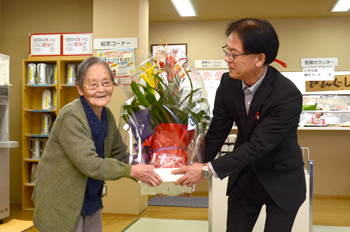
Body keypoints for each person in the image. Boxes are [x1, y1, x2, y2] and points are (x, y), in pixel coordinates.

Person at [172, 18, 306, 232]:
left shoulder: (287, 95)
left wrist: (206, 170)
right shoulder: (228, 84)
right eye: (227, 51)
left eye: (234, 54)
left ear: (259, 59)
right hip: (245, 178)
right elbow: (217, 132)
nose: (227, 59)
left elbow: (258, 146)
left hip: (281, 182)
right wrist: (187, 169)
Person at [32, 57, 162, 232]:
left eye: (106, 83)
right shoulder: (71, 116)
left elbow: (119, 154)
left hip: (90, 197)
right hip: (62, 200)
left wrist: (152, 170)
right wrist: (132, 171)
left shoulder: (106, 115)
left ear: (113, 84)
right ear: (79, 88)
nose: (101, 89)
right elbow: (89, 163)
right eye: (93, 85)